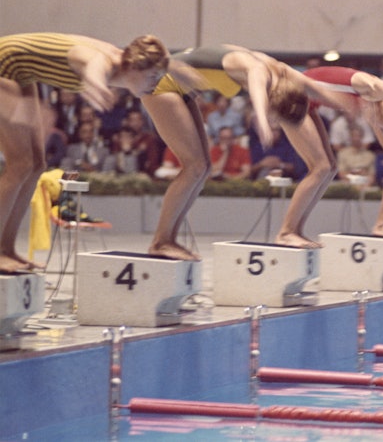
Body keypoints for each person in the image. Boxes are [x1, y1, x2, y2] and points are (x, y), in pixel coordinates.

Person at [0, 32, 172, 271]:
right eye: (153, 76)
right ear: (133, 67)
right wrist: (95, 82)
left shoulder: (120, 58)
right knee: (20, 165)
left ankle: (7, 249)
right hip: (3, 64)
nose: (156, 83)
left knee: (36, 165)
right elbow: (92, 63)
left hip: (18, 72)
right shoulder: (104, 61)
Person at [146, 44, 339, 250]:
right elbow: (256, 86)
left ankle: (169, 240)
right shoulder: (258, 69)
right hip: (159, 85)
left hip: (183, 89)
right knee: (194, 167)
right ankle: (161, 241)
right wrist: (263, 120)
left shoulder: (281, 71)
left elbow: (316, 89)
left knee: (202, 168)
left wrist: (348, 105)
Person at [303, 66, 383, 240]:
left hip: (311, 99)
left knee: (329, 168)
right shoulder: (370, 85)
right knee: (321, 168)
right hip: (294, 96)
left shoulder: (371, 98)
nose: (382, 129)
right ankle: (382, 223)